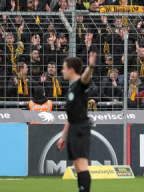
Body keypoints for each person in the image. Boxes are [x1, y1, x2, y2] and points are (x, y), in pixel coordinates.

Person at [57, 52, 96, 192]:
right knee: (78, 166)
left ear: (71, 69)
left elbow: (85, 77)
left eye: (63, 68)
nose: (62, 71)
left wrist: (91, 66)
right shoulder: (71, 88)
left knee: (82, 165)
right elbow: (70, 116)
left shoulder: (80, 84)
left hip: (81, 128)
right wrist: (63, 136)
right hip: (74, 128)